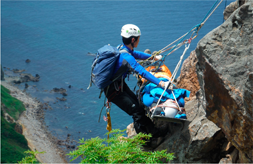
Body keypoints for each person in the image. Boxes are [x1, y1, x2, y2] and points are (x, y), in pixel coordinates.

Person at [104, 24, 170, 141]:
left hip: (118, 86)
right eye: (138, 38)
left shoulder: (121, 48)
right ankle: (149, 137)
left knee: (137, 105)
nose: (139, 40)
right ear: (133, 39)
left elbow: (137, 54)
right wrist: (160, 83)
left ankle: (146, 132)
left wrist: (153, 57)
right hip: (114, 91)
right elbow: (142, 72)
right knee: (136, 110)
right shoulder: (126, 56)